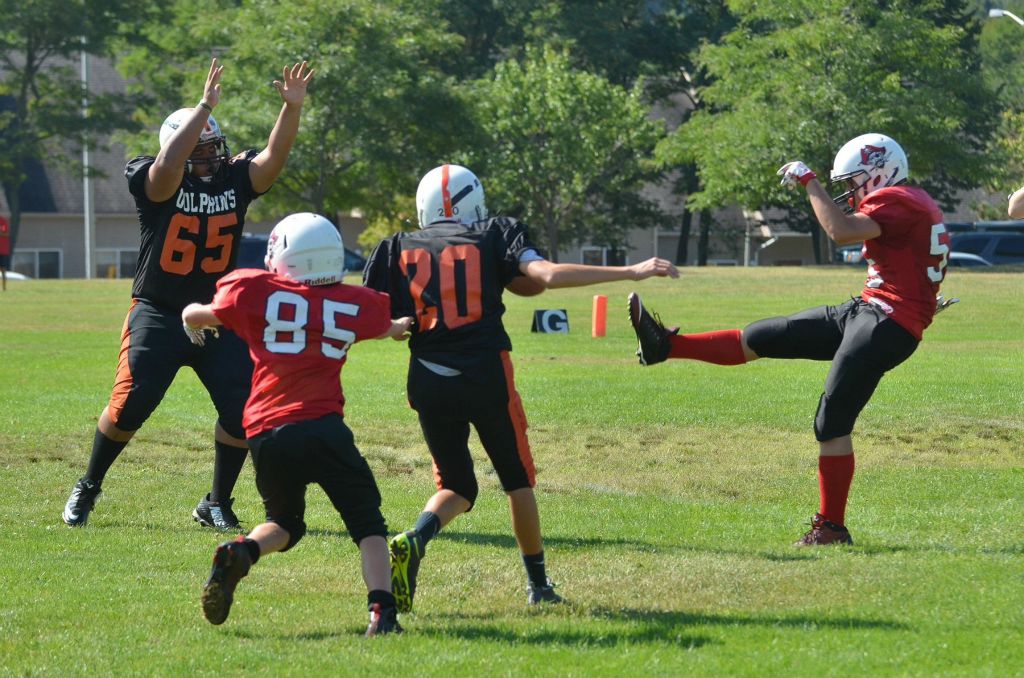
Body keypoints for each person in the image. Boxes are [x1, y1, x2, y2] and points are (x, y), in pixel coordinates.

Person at [363, 164, 679, 611]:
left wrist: (401, 327)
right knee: (517, 480)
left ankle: (416, 537)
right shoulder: (494, 232)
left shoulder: (396, 246)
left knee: (458, 485)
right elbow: (546, 275)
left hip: (428, 377)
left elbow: (376, 318)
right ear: (475, 203)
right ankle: (538, 585)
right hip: (485, 374)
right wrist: (632, 270)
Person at [629, 133, 953, 546]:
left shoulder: (897, 198)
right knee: (765, 335)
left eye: (853, 181)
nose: (849, 192)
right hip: (872, 310)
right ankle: (666, 347)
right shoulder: (913, 200)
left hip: (886, 322)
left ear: (879, 171)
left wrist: (809, 181)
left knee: (831, 421)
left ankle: (831, 527)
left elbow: (839, 231)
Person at [62, 58, 315, 529]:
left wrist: (292, 109)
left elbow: (272, 159)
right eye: (200, 149)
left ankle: (216, 502)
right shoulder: (154, 176)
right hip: (158, 311)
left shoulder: (233, 179)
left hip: (217, 314)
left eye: (213, 147)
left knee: (244, 410)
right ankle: (89, 485)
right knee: (130, 405)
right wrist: (203, 109)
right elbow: (166, 167)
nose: (211, 157)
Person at [183, 212, 413, 635]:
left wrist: (188, 313)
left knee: (284, 522)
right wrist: (400, 327)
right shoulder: (354, 301)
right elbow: (384, 325)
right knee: (368, 525)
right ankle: (382, 613)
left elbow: (202, 315)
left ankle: (243, 550)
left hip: (266, 432)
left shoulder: (255, 291)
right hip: (323, 426)